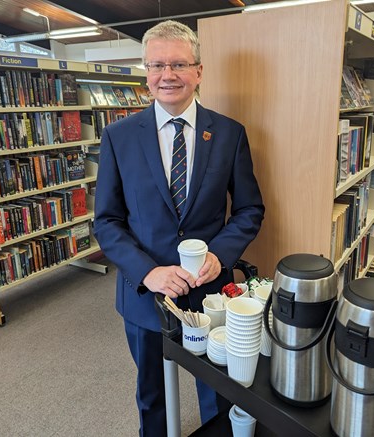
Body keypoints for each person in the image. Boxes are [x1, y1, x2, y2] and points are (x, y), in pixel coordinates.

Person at [93, 20, 265, 436]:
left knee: (220, 394)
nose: (167, 75)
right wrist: (148, 272)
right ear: (146, 73)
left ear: (199, 71)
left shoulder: (229, 134)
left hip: (211, 295)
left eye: (178, 64)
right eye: (156, 65)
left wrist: (219, 255)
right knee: (152, 392)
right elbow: (107, 221)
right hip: (145, 295)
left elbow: (248, 210)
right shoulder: (118, 137)